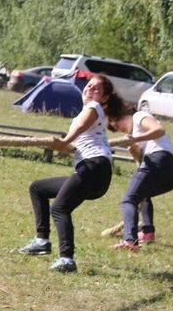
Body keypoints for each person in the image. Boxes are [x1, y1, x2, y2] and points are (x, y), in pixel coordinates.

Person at [17, 74, 123, 273]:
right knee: (38, 189)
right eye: (88, 86)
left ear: (105, 97)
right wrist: (59, 144)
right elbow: (71, 147)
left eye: (96, 89)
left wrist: (65, 141)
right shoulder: (87, 112)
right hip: (93, 171)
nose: (89, 90)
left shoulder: (93, 108)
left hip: (94, 167)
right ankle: (42, 240)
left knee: (59, 208)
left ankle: (66, 259)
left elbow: (76, 134)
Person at [107, 105, 173, 250]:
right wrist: (135, 149)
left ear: (124, 114)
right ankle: (147, 233)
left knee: (129, 200)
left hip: (158, 160)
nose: (119, 130)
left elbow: (159, 130)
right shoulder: (137, 132)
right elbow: (141, 157)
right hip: (172, 172)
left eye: (116, 124)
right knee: (143, 195)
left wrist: (135, 138)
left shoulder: (139, 115)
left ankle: (130, 241)